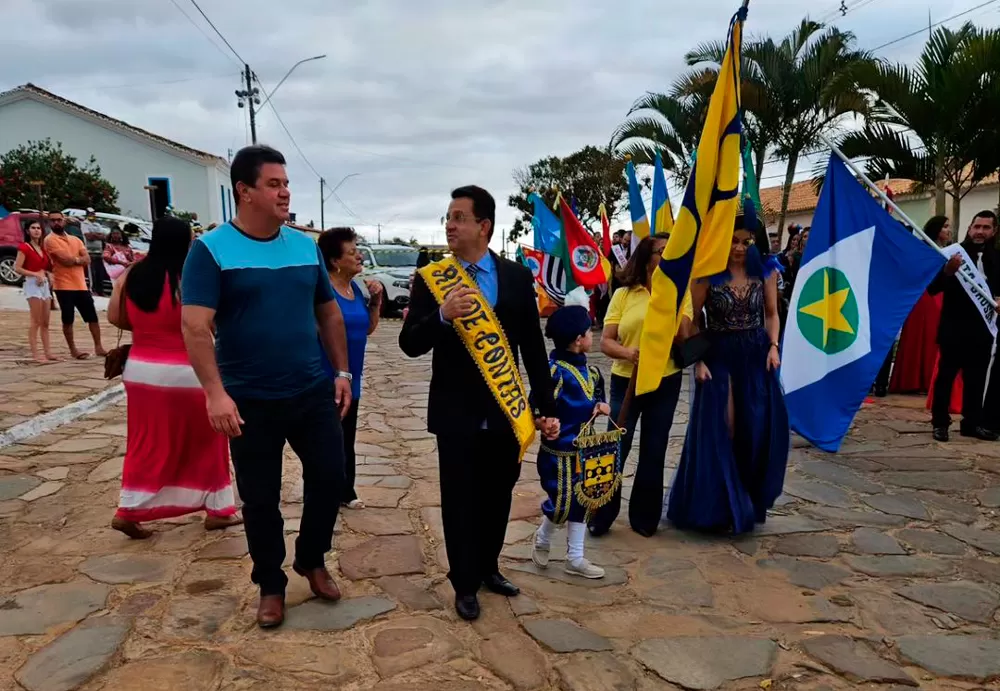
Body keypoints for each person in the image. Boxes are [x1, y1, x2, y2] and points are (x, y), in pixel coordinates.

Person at [181, 145, 352, 629]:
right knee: (260, 499)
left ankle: (311, 558)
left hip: (310, 391)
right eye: (274, 184)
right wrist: (215, 393)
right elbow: (195, 327)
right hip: (248, 398)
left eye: (286, 183)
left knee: (331, 477)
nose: (285, 192)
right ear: (244, 191)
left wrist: (342, 373)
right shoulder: (211, 250)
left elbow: (328, 313)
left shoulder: (303, 247)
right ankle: (270, 584)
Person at [400, 185, 559, 622]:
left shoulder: (516, 277)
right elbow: (409, 343)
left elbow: (532, 347)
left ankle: (488, 566)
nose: (450, 226)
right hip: (455, 412)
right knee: (459, 500)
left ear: (484, 226)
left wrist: (546, 406)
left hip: (505, 411)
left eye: (459, 218)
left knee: (498, 495)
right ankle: (464, 582)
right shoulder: (433, 279)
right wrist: (443, 316)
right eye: (448, 218)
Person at [108, 216, 241, 539]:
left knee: (145, 440)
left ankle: (130, 508)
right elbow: (207, 324)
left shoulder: (131, 273)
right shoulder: (190, 276)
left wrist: (148, 328)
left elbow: (115, 316)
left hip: (141, 370)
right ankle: (217, 509)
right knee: (209, 439)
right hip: (187, 370)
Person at [667, 216, 789, 534]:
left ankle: (744, 501)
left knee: (754, 428)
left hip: (755, 354)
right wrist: (698, 360)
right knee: (725, 425)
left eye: (746, 241)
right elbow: (692, 320)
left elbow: (772, 314)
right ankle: (720, 506)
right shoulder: (707, 273)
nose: (739, 247)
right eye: (733, 240)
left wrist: (774, 346)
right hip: (718, 353)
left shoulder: (766, 271)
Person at [590, 234, 692, 538]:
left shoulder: (680, 292)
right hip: (626, 380)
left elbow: (684, 334)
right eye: (663, 251)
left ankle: (645, 517)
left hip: (665, 379)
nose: (668, 256)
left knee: (654, 447)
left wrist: (669, 301)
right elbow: (607, 341)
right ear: (648, 258)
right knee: (617, 444)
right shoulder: (624, 295)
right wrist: (628, 353)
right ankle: (601, 513)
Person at [530, 302, 609, 579]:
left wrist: (600, 405)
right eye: (588, 332)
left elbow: (596, 396)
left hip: (586, 450)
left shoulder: (592, 372)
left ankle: (575, 557)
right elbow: (537, 405)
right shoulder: (555, 373)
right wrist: (543, 422)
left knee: (583, 499)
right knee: (562, 503)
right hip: (559, 454)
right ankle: (542, 538)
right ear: (578, 339)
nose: (592, 336)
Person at [317, 227, 384, 510]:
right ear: (335, 260)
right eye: (352, 252)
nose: (359, 256)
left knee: (347, 436)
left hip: (353, 376)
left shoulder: (354, 289)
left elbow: (367, 328)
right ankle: (325, 492)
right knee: (328, 440)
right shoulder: (323, 291)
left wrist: (376, 301)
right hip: (326, 376)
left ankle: (346, 489)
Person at [929, 210, 1000, 442]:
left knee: (976, 380)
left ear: (994, 231)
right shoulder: (952, 254)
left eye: (986, 228)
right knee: (945, 378)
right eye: (976, 226)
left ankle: (971, 423)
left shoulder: (997, 258)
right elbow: (932, 288)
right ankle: (940, 423)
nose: (980, 232)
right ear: (969, 228)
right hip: (954, 327)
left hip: (982, 330)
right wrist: (947, 272)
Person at [889, 217, 954, 394]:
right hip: (924, 295)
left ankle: (929, 380)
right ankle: (913, 380)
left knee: (935, 336)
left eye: (948, 227)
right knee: (921, 335)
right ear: (936, 229)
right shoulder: (924, 248)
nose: (948, 230)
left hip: (940, 295)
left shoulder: (949, 250)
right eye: (945, 226)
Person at [43, 211, 106, 359]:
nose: (56, 223)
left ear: (64, 221)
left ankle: (99, 346)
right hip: (63, 285)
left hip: (80, 284)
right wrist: (78, 260)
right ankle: (73, 349)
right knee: (68, 318)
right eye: (53, 220)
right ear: (49, 222)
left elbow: (87, 259)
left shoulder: (76, 240)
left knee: (92, 317)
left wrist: (76, 260)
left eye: (59, 220)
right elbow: (65, 260)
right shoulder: (50, 240)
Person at [14, 221, 57, 363]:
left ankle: (48, 352)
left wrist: (47, 273)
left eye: (38, 228)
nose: (36, 230)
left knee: (45, 321)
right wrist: (35, 274)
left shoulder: (42, 248)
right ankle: (35, 354)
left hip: (43, 284)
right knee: (36, 320)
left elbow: (44, 267)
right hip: (32, 283)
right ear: (27, 231)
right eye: (33, 228)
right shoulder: (24, 247)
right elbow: (17, 268)